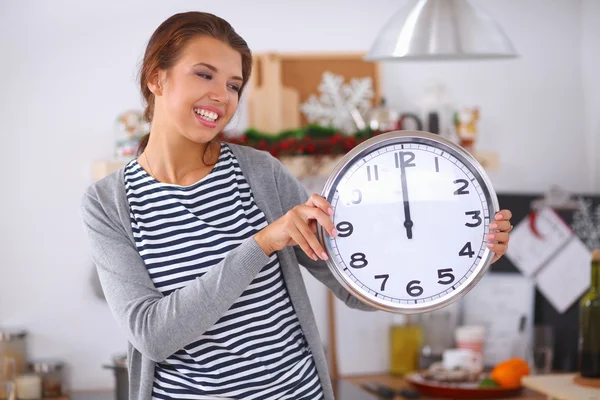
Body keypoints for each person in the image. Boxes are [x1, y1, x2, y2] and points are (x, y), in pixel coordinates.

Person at [80, 11, 513, 400]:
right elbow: (154, 335)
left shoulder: (259, 173)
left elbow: (354, 284)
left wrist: (468, 258)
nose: (222, 95)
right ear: (157, 78)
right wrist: (263, 243)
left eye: (233, 84)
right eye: (204, 75)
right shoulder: (107, 203)